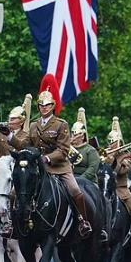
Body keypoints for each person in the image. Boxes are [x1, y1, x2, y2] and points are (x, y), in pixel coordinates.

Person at [24, 91, 93, 239]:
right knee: (17, 189)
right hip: (39, 168)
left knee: (74, 189)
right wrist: (9, 136)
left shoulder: (61, 124)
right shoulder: (33, 125)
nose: (44, 108)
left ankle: (83, 220)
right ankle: (15, 222)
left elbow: (63, 150)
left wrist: (47, 158)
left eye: (47, 105)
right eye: (41, 105)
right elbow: (27, 145)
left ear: (52, 106)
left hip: (59, 167)